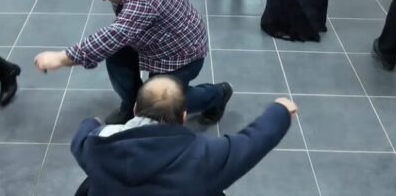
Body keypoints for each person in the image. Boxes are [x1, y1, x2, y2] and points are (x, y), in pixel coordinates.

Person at [33, 0, 233, 125]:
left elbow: (112, 35)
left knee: (159, 102)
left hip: (179, 53)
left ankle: (218, 94)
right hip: (148, 37)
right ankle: (131, 107)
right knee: (116, 58)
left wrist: (60, 58)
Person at [71, 76, 296, 196]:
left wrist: (92, 123)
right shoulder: (203, 157)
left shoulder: (97, 145)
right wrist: (280, 111)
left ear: (135, 109)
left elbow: (80, 139)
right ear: (183, 116)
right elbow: (252, 141)